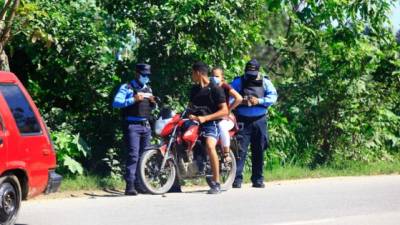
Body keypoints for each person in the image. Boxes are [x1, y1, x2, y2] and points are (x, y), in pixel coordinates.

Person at [230, 59, 277, 188]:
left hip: (259, 120)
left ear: (258, 71)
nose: (250, 75)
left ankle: (258, 179)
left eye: (253, 73)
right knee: (240, 150)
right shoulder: (238, 82)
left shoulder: (265, 82)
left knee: (259, 150)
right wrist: (241, 101)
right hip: (242, 120)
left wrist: (259, 100)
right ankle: (236, 179)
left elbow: (273, 97)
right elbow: (228, 97)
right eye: (248, 72)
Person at [112, 63, 156, 195]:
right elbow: (116, 103)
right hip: (132, 127)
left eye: (148, 75)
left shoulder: (148, 89)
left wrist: (153, 103)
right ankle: (130, 185)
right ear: (137, 74)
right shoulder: (127, 87)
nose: (146, 78)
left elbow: (148, 108)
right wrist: (133, 99)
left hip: (146, 126)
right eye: (144, 75)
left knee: (144, 156)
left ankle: (140, 184)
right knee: (133, 155)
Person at [188, 61, 229, 194]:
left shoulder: (215, 89)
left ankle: (216, 183)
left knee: (210, 146)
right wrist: (189, 115)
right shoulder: (194, 89)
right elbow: (190, 107)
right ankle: (175, 181)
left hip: (212, 123)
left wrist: (205, 118)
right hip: (195, 123)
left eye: (193, 73)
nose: (192, 76)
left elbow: (224, 111)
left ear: (198, 73)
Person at [210, 67, 242, 160]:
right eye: (212, 76)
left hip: (226, 118)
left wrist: (228, 110)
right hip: (213, 117)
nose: (213, 78)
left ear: (222, 77)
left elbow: (238, 98)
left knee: (222, 126)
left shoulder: (225, 87)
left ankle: (226, 154)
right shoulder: (209, 87)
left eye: (216, 76)